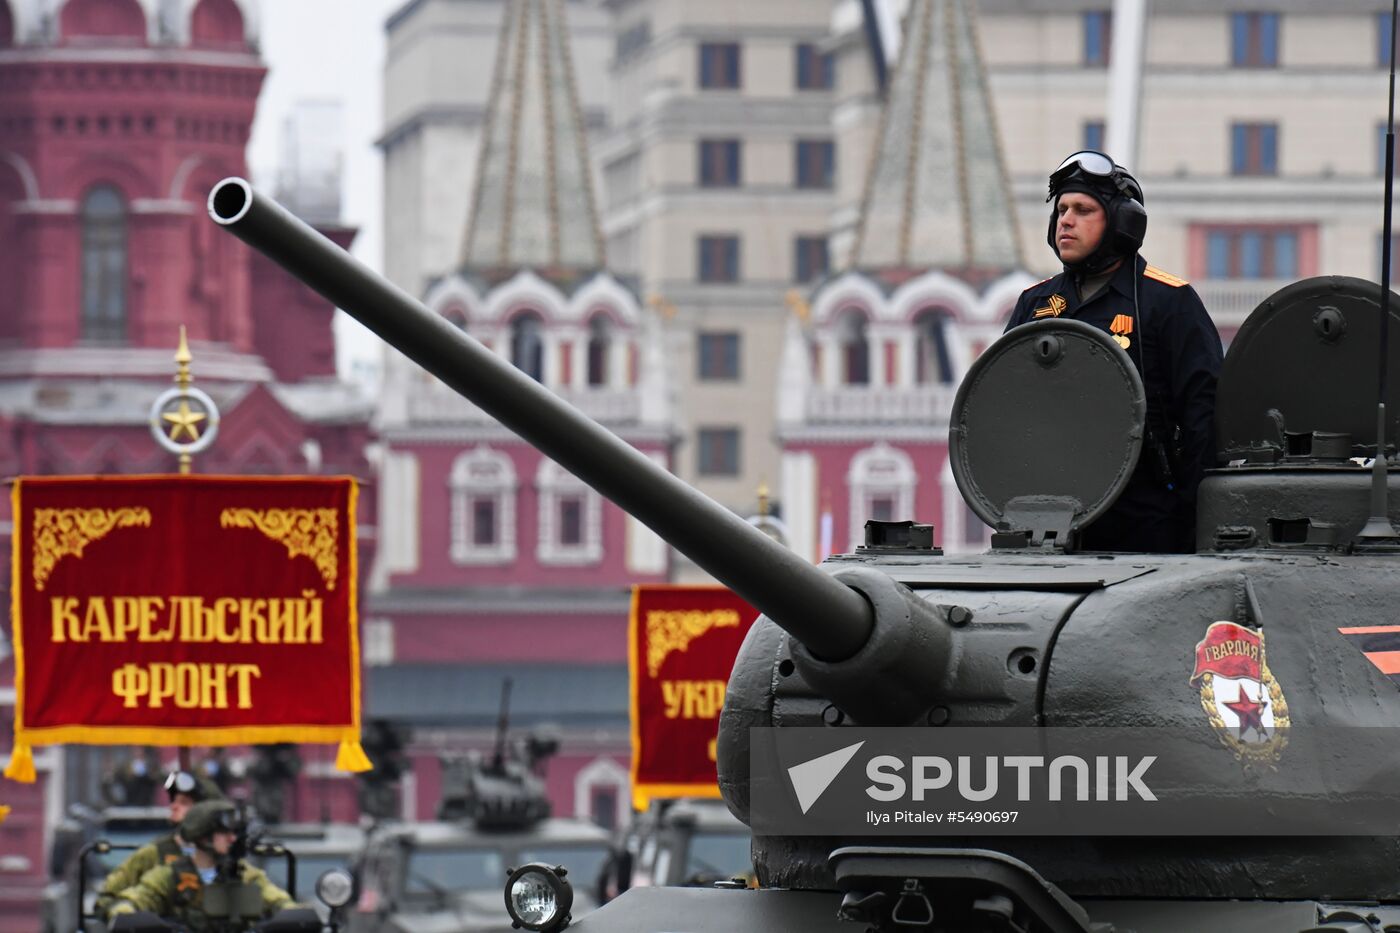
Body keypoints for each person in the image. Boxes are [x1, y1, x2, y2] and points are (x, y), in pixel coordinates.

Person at [1004, 150, 1223, 553]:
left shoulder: (1168, 301)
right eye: (1062, 209)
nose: (1065, 220)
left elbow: (1204, 417)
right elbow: (1001, 407)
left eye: (1083, 209)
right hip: (1047, 524)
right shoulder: (1035, 303)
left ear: (1123, 224)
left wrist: (1199, 520)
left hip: (1148, 522)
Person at [106, 799, 296, 930]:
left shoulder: (246, 876)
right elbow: (135, 900)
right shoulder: (168, 876)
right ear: (203, 836)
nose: (232, 838)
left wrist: (292, 913)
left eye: (234, 833)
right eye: (224, 833)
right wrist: (126, 913)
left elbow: (277, 900)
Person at [96, 770, 225, 920]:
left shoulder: (227, 858)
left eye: (184, 803)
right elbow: (108, 897)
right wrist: (125, 910)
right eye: (174, 801)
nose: (174, 807)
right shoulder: (153, 854)